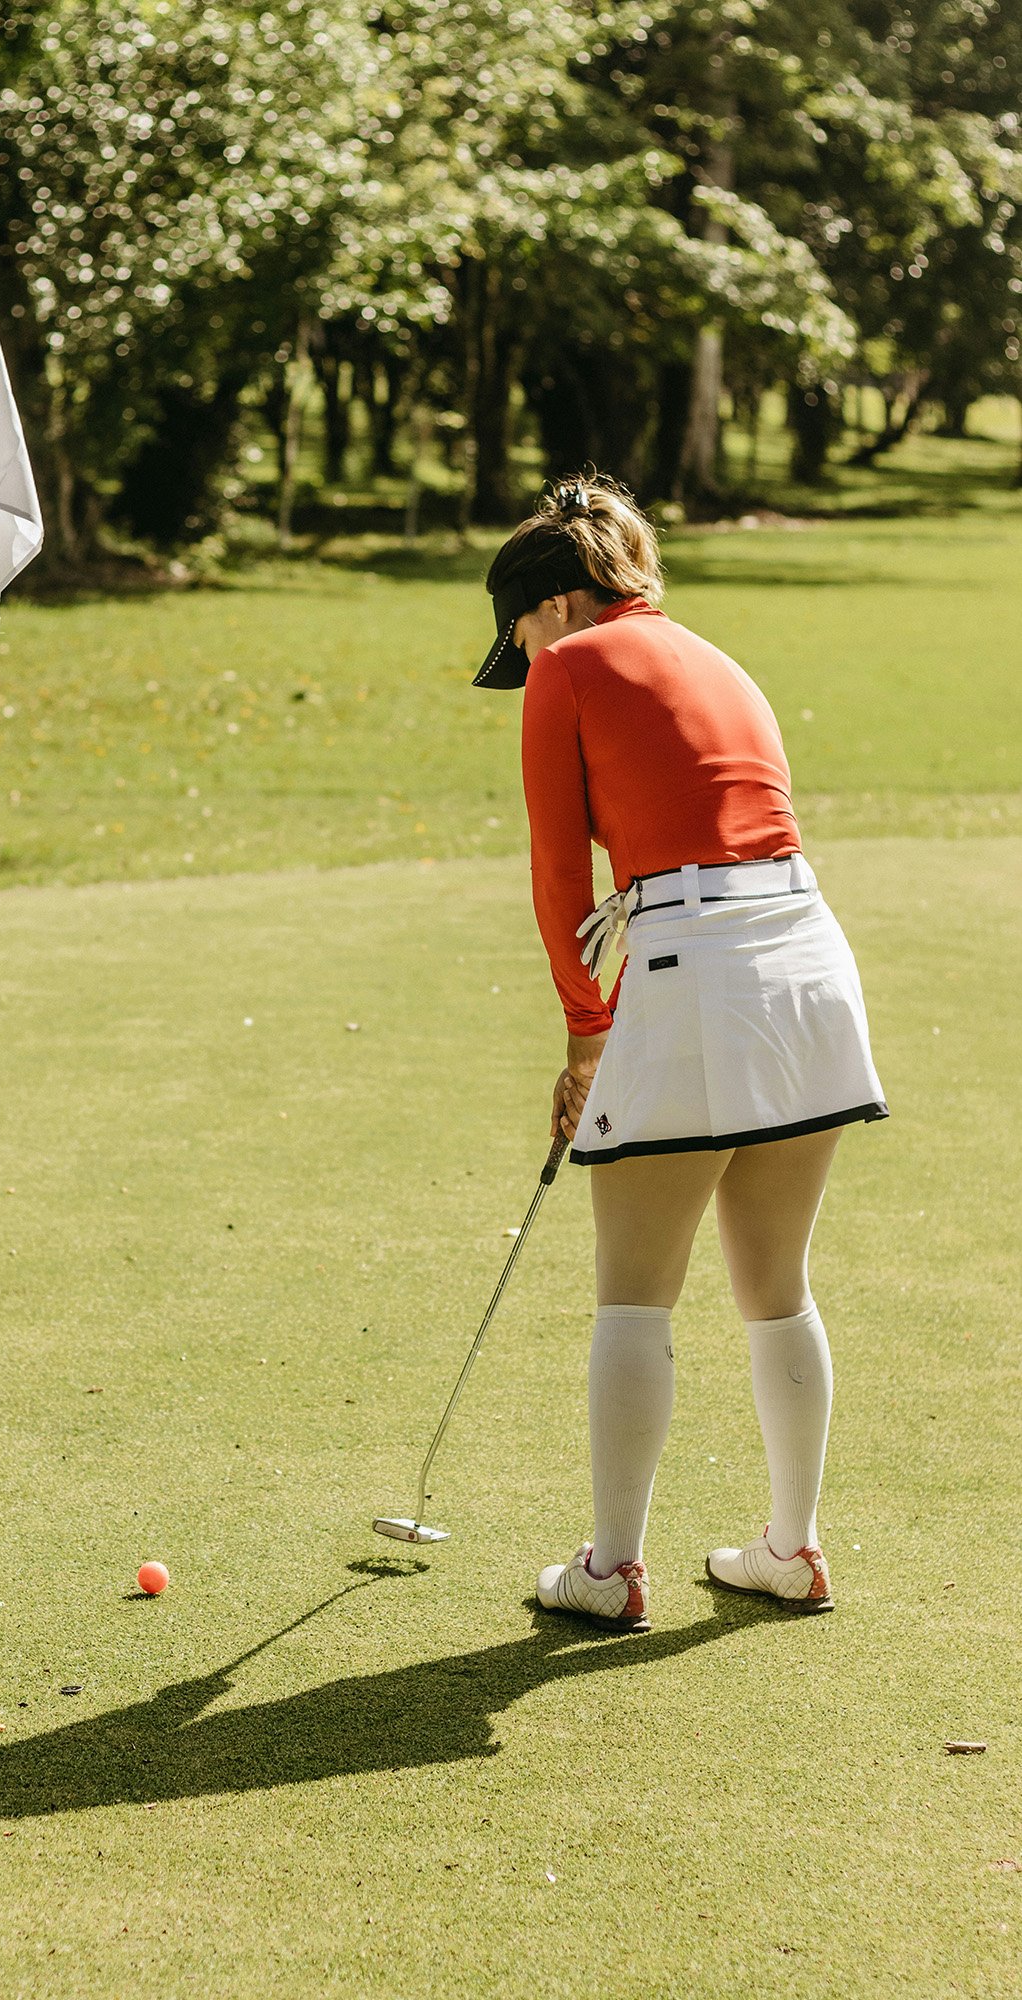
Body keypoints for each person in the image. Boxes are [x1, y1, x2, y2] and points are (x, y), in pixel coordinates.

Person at [474, 474, 887, 1632]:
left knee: (633, 1293)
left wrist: (584, 1039)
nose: (521, 658)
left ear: (552, 604)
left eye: (516, 633)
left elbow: (562, 871)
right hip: (807, 954)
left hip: (693, 969)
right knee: (774, 1283)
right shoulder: (712, 652)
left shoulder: (564, 664)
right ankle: (792, 1548)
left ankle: (610, 1570)